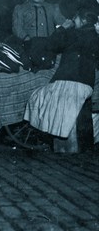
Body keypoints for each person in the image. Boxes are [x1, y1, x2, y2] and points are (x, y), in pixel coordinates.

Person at [24, 9, 99, 143]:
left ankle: (48, 135)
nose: (73, 20)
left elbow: (50, 44)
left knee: (38, 98)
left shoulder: (72, 33)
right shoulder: (95, 37)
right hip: (87, 83)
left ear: (82, 20)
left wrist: (63, 28)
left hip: (69, 80)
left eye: (75, 18)